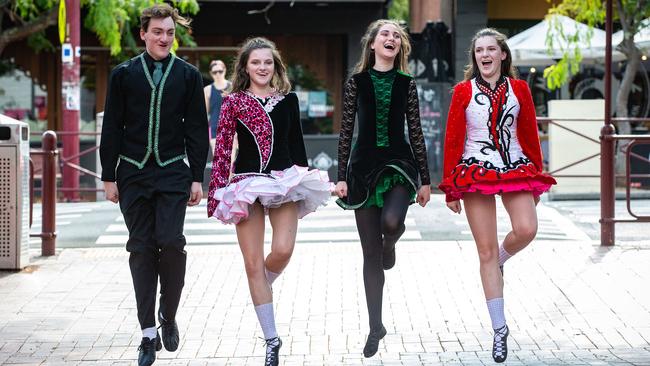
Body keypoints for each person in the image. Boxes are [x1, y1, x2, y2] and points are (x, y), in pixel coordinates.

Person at [207, 37, 331, 366]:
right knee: (251, 264)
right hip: (245, 183)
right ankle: (271, 339)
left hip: (284, 181)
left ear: (275, 66)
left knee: (283, 250)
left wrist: (304, 176)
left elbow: (297, 144)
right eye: (256, 62)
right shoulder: (233, 101)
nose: (263, 67)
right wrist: (216, 191)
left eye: (268, 62)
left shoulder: (288, 101)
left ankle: (262, 284)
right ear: (245, 67)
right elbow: (222, 150)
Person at [99, 4, 209, 366]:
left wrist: (197, 176)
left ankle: (169, 315)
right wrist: (108, 174)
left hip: (173, 172)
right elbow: (112, 125)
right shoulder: (124, 74)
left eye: (169, 33)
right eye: (157, 32)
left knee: (172, 243)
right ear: (144, 33)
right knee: (141, 248)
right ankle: (148, 334)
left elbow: (196, 128)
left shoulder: (188, 76)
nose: (164, 38)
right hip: (132, 172)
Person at [438, 28, 557, 363]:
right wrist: (450, 186)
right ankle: (499, 329)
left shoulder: (520, 89)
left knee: (527, 229)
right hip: (474, 168)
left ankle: (503, 258)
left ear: (503, 55)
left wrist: (536, 172)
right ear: (475, 58)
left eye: (492, 49)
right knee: (484, 250)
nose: (485, 55)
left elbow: (530, 132)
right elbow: (452, 137)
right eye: (479, 51)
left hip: (516, 165)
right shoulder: (463, 91)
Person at [334, 19, 431, 358]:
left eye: (396, 35)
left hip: (400, 164)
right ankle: (376, 325)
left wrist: (426, 179)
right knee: (369, 254)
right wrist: (340, 174)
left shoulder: (407, 82)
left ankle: (392, 242)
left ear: (399, 46)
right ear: (372, 44)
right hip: (361, 169)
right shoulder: (356, 83)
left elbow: (416, 130)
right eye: (384, 34)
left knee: (391, 223)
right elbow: (346, 131)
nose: (391, 38)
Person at [203, 59, 232, 153]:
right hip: (214, 127)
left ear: (225, 70)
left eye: (220, 71)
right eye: (215, 72)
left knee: (230, 161)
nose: (218, 74)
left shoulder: (232, 87)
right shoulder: (207, 90)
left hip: (231, 127)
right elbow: (205, 112)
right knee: (218, 157)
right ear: (211, 74)